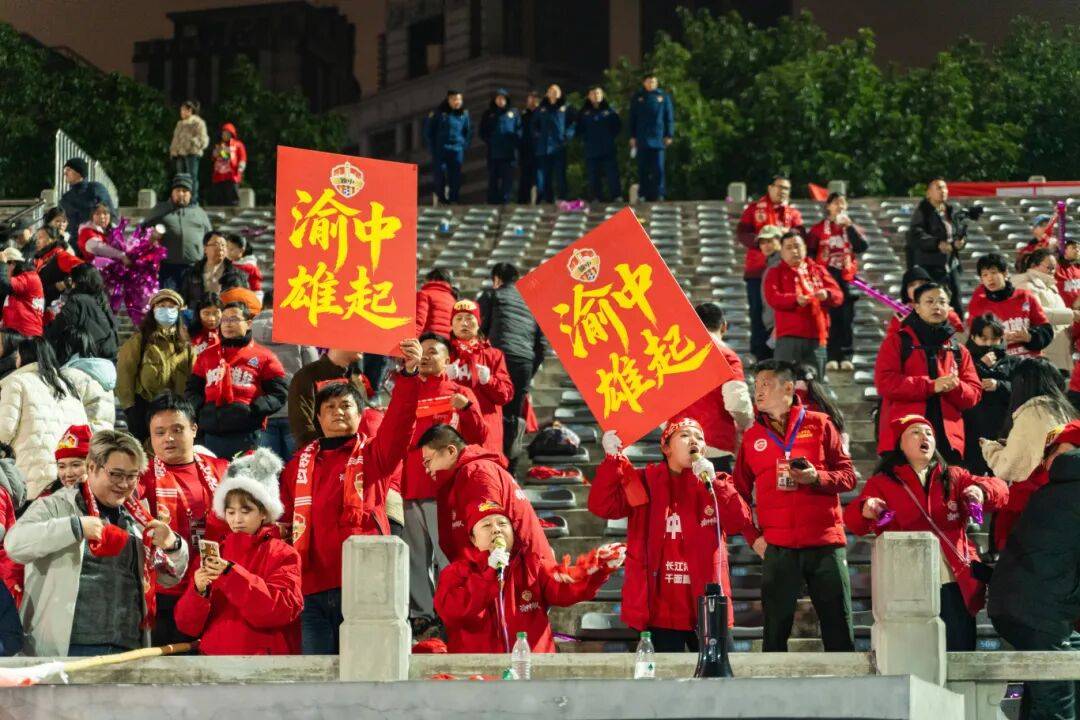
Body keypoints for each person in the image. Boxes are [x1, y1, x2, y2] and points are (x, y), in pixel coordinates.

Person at [279, 339, 422, 654]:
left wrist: (410, 376)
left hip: (364, 583)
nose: (338, 412)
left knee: (366, 671)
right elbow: (286, 522)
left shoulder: (374, 455)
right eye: (329, 408)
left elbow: (400, 423)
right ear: (318, 419)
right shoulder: (296, 467)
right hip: (311, 588)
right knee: (317, 675)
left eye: (346, 406)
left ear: (361, 415)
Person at [6, 430, 187, 657]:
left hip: (129, 647)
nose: (124, 484)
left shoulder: (139, 519)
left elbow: (168, 579)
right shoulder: (55, 506)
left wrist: (174, 545)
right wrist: (75, 527)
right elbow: (15, 544)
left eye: (132, 476)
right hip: (68, 648)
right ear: (91, 467)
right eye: (116, 474)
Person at [844, 415, 1008, 650]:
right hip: (908, 583)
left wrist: (980, 491)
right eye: (915, 432)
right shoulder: (882, 483)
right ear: (900, 444)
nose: (925, 437)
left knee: (958, 649)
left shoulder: (954, 476)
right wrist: (866, 509)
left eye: (929, 433)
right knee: (916, 652)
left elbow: (1001, 490)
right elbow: (854, 523)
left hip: (953, 578)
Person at [589, 419, 754, 651]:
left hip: (708, 606)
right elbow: (602, 506)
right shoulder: (644, 481)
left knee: (718, 673)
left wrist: (716, 483)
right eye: (685, 435)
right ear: (666, 448)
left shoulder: (716, 483)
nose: (694, 440)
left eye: (699, 437)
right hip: (660, 611)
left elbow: (739, 522)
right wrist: (611, 460)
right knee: (664, 673)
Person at [734, 360, 857, 652]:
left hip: (825, 543)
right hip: (778, 547)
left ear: (788, 388)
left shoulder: (820, 423)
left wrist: (817, 478)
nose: (758, 391)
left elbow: (849, 477)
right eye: (756, 385)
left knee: (839, 628)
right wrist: (753, 538)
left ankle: (846, 681)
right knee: (774, 634)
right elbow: (737, 494)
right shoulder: (752, 437)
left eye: (765, 384)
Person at [435, 501, 623, 653]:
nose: (496, 529)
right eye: (486, 525)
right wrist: (489, 574)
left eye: (502, 523)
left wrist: (596, 570)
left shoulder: (533, 564)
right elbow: (454, 613)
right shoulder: (456, 573)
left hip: (531, 671)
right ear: (473, 539)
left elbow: (564, 588)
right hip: (480, 677)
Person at [988, 421, 1080, 720]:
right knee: (1056, 706)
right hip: (1038, 610)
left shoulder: (1052, 489)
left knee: (1049, 696)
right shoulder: (1062, 491)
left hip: (1028, 607)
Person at [398, 333, 487, 632]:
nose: (425, 356)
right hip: (410, 487)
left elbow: (479, 436)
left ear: (448, 360)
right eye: (421, 351)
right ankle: (422, 614)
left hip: (446, 490)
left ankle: (452, 609)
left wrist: (467, 408)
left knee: (447, 554)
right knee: (414, 556)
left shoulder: (460, 393)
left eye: (433, 351)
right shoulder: (407, 390)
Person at [175, 448, 302, 655]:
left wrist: (230, 574)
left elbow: (281, 610)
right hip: (213, 662)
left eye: (246, 510)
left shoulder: (283, 553)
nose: (237, 519)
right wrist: (198, 591)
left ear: (264, 512)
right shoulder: (214, 554)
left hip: (263, 663)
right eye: (230, 512)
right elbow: (187, 626)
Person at [137, 392, 231, 646]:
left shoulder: (222, 469)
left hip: (216, 585)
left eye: (177, 430)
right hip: (165, 591)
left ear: (194, 429)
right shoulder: (141, 477)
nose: (168, 438)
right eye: (159, 432)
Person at [418, 424, 553, 567]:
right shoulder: (468, 473)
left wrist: (490, 575)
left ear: (451, 451)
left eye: (428, 461)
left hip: (519, 573)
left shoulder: (476, 473)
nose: (427, 470)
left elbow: (493, 536)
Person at [875, 283, 981, 461]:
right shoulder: (897, 342)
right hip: (903, 436)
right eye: (929, 301)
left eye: (942, 302)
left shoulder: (959, 350)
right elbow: (885, 382)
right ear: (916, 307)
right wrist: (931, 385)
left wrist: (956, 386)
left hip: (948, 441)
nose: (936, 306)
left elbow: (974, 394)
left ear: (949, 308)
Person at [981, 357, 1077, 552]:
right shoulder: (1066, 411)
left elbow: (1009, 467)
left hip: (1033, 507)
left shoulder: (1032, 413)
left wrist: (990, 449)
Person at [0, 337, 114, 498]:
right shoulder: (66, 385)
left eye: (18, 356)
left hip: (29, 473)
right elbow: (82, 428)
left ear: (24, 357)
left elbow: (5, 430)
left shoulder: (16, 382)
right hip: (65, 473)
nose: (16, 360)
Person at [186, 302, 288, 458]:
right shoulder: (206, 356)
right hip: (211, 434)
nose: (228, 324)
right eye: (224, 320)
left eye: (234, 319)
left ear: (248, 323)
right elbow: (192, 390)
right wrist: (201, 410)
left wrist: (255, 409)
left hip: (247, 435)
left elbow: (279, 393)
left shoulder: (264, 356)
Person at [477, 262, 548, 473]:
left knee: (491, 412)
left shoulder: (492, 295)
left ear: (497, 279)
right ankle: (511, 470)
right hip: (523, 361)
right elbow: (541, 346)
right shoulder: (532, 303)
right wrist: (528, 372)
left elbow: (478, 329)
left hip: (497, 358)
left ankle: (491, 462)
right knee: (515, 417)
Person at [669, 303, 753, 462]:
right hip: (713, 446)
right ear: (724, 326)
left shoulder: (673, 354)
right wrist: (746, 425)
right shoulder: (728, 357)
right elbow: (737, 404)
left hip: (676, 444)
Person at [737, 176, 805, 361]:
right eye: (779, 187)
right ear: (770, 187)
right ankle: (759, 354)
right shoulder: (754, 209)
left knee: (779, 311)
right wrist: (762, 242)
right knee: (757, 311)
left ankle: (778, 352)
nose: (782, 191)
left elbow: (801, 235)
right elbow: (742, 233)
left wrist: (785, 237)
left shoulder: (793, 213)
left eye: (786, 188)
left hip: (783, 270)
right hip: (757, 270)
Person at [116, 289, 195, 442]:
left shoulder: (186, 345)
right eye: (162, 306)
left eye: (171, 307)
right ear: (153, 310)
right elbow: (125, 373)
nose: (167, 310)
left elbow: (193, 378)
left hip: (176, 409)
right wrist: (129, 407)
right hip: (144, 406)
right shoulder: (140, 340)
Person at [763, 231, 842, 380]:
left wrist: (827, 294)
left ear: (805, 248)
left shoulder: (818, 270)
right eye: (789, 247)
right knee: (785, 383)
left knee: (816, 384)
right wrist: (795, 299)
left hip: (817, 336)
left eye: (797, 246)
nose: (794, 251)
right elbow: (773, 298)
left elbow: (838, 295)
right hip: (788, 337)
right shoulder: (775, 272)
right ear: (781, 252)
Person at [806, 193, 869, 371]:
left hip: (847, 277)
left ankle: (846, 355)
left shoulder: (852, 227)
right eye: (835, 203)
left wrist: (849, 227)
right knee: (831, 319)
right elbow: (810, 252)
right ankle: (832, 355)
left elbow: (862, 247)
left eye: (843, 203)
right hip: (827, 278)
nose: (840, 206)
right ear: (828, 206)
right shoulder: (818, 229)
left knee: (847, 319)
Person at [448, 299, 514, 461]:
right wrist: (444, 378)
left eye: (469, 318)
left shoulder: (493, 355)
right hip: (452, 429)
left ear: (478, 323)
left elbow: (505, 395)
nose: (464, 323)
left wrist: (489, 380)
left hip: (486, 430)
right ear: (451, 324)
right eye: (459, 318)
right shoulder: (443, 353)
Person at [906, 178, 977, 319]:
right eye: (938, 188)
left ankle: (957, 329)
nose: (943, 191)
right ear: (928, 193)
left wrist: (960, 242)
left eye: (945, 188)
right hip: (930, 265)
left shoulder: (950, 211)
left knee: (955, 300)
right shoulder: (923, 211)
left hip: (950, 263)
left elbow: (957, 232)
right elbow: (915, 235)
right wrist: (937, 244)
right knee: (934, 299)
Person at [251, 309, 318, 460]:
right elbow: (313, 369)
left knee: (268, 468)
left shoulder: (250, 334)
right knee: (297, 464)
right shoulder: (299, 331)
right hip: (296, 410)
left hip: (264, 410)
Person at [962, 314, 1022, 476]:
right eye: (983, 338)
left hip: (1002, 429)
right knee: (973, 476)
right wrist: (980, 366)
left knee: (1001, 476)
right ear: (973, 337)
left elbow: (1021, 390)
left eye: (994, 339)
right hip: (971, 429)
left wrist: (999, 385)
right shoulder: (962, 359)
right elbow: (959, 385)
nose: (989, 344)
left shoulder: (1012, 361)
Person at [966, 252, 1053, 360]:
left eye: (993, 273)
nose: (990, 278)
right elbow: (973, 344)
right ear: (981, 279)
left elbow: (1046, 331)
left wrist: (1029, 337)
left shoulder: (1025, 297)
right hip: (1000, 365)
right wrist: (998, 342)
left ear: (1005, 273)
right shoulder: (978, 304)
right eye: (985, 275)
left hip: (1031, 361)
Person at [143, 174, 213, 291]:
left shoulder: (200, 213)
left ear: (190, 194)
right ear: (172, 192)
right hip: (168, 269)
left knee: (194, 300)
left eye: (185, 191)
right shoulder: (160, 210)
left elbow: (210, 237)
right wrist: (152, 236)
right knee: (169, 300)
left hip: (194, 268)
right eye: (178, 190)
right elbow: (141, 232)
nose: (181, 194)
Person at [288, 348, 367, 448]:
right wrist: (325, 451)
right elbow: (302, 427)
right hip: (320, 453)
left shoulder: (356, 379)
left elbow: (363, 418)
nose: (363, 347)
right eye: (356, 340)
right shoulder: (306, 376)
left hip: (356, 452)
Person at [1014, 248, 1076, 372]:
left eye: (1054, 268)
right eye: (1049, 267)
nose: (1053, 271)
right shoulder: (1026, 285)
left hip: (1060, 350)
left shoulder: (1049, 287)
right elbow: (1036, 313)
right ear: (1033, 266)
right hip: (1044, 352)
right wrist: (1072, 315)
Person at [44, 263, 119, 364]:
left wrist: (52, 316)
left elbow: (56, 329)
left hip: (87, 360)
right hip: (108, 359)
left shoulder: (77, 300)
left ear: (78, 281)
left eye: (72, 280)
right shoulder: (102, 299)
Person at [628, 71, 674, 202]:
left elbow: (669, 118)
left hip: (658, 138)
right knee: (643, 168)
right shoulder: (638, 97)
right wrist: (632, 136)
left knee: (658, 168)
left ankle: (659, 193)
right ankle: (643, 194)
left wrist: (669, 134)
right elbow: (632, 118)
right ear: (644, 83)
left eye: (653, 81)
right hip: (642, 137)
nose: (651, 84)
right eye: (648, 81)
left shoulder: (663, 97)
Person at [424, 90, 471, 204]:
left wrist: (464, 145)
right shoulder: (438, 113)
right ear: (448, 100)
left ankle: (454, 199)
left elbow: (468, 131)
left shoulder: (464, 114)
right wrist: (433, 148)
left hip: (457, 150)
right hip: (441, 149)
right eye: (454, 99)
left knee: (455, 176)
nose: (457, 102)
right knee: (440, 174)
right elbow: (429, 132)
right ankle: (441, 199)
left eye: (459, 99)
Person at [887, 266, 964, 336]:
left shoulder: (946, 312)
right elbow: (890, 342)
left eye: (922, 283)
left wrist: (943, 320)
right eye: (912, 285)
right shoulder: (900, 316)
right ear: (906, 291)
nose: (917, 287)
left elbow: (960, 339)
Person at [577, 85, 622, 202]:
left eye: (598, 93)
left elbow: (617, 127)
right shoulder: (584, 113)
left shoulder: (610, 111)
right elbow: (579, 129)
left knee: (612, 174)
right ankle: (596, 197)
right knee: (593, 175)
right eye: (593, 94)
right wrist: (585, 139)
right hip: (591, 148)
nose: (596, 96)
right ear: (589, 96)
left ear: (602, 95)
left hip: (608, 148)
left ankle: (616, 196)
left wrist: (609, 138)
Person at [532, 84, 574, 203]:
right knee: (546, 175)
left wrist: (567, 135)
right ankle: (548, 199)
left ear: (560, 94)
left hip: (559, 146)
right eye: (551, 91)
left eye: (556, 91)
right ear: (547, 94)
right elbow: (534, 125)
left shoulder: (566, 108)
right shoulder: (541, 109)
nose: (554, 93)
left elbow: (573, 123)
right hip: (544, 147)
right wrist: (538, 135)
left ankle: (562, 197)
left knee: (560, 174)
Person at [180, 231, 242, 309]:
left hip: (225, 315)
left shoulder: (236, 274)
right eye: (216, 244)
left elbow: (243, 301)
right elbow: (182, 299)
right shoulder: (192, 272)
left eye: (223, 245)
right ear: (205, 248)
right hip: (197, 314)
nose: (220, 248)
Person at [479, 89, 521, 205]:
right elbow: (482, 132)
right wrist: (490, 141)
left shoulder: (514, 113)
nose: (500, 100)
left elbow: (519, 129)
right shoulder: (488, 114)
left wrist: (514, 141)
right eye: (498, 98)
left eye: (503, 98)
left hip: (509, 153)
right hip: (493, 153)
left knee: (507, 179)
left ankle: (504, 201)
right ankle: (492, 202)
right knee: (493, 178)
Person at [33, 224, 83, 315]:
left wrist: (64, 284)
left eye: (41, 237)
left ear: (53, 239)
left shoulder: (60, 255)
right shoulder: (42, 258)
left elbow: (85, 270)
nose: (37, 241)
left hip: (58, 311)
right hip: (42, 308)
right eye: (37, 238)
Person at [58, 157, 116, 235]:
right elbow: (65, 225)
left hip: (99, 237)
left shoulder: (96, 189)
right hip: (76, 240)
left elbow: (110, 214)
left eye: (68, 170)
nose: (65, 173)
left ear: (78, 172)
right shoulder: (66, 198)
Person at [169, 100, 210, 204]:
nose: (181, 112)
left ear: (189, 110)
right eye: (181, 110)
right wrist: (173, 150)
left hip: (192, 153)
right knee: (180, 178)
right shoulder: (180, 124)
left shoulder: (198, 122)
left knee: (192, 177)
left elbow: (203, 139)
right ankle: (180, 199)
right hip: (180, 153)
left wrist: (193, 142)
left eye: (183, 110)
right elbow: (175, 138)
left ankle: (193, 200)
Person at [36, 424, 92, 498]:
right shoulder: (47, 499)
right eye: (62, 466)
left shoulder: (104, 496)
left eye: (75, 465)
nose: (68, 474)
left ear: (92, 465)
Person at [0, 247, 43, 337]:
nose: (3, 271)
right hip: (16, 330)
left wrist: (2, 264)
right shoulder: (19, 280)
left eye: (4, 267)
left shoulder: (30, 277)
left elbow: (5, 285)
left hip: (26, 333)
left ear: (13, 264)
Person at [209, 122, 247, 207]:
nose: (224, 135)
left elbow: (242, 156)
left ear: (231, 134)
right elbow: (214, 158)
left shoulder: (238, 145)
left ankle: (234, 211)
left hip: (232, 175)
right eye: (223, 133)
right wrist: (217, 153)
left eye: (226, 133)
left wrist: (241, 165)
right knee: (219, 198)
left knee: (232, 198)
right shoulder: (219, 145)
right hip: (219, 176)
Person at [416, 268, 457, 337]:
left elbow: (419, 320)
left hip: (429, 339)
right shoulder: (452, 299)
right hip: (447, 341)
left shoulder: (424, 294)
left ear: (429, 279)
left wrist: (412, 338)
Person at [517, 91, 541, 204]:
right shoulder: (523, 115)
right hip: (525, 150)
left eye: (534, 99)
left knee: (538, 178)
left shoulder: (541, 114)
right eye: (530, 99)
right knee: (525, 177)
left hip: (539, 150)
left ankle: (538, 201)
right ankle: (523, 201)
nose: (532, 101)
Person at [225, 233, 263, 300]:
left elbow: (256, 290)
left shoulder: (250, 268)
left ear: (242, 250)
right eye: (226, 249)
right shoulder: (226, 263)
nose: (228, 252)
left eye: (231, 249)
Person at [189, 292, 224, 357]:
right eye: (206, 313)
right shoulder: (190, 336)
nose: (212, 318)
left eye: (216, 313)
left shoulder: (229, 334)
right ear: (198, 314)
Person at [1056, 236, 1080, 311]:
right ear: (1064, 250)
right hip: (1062, 311)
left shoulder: (1078, 267)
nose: (1077, 250)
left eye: (1079, 248)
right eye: (1074, 247)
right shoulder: (1055, 267)